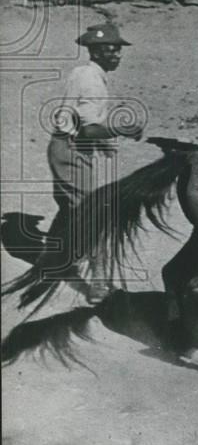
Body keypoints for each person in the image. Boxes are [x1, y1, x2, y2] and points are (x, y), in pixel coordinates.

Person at [48, 23, 143, 304]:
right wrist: (123, 129)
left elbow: (79, 117)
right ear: (97, 52)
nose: (117, 56)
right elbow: (88, 129)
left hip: (67, 148)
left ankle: (53, 260)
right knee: (92, 213)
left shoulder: (83, 72)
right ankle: (99, 283)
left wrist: (102, 142)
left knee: (72, 208)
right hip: (72, 149)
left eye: (118, 50)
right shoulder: (92, 80)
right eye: (111, 50)